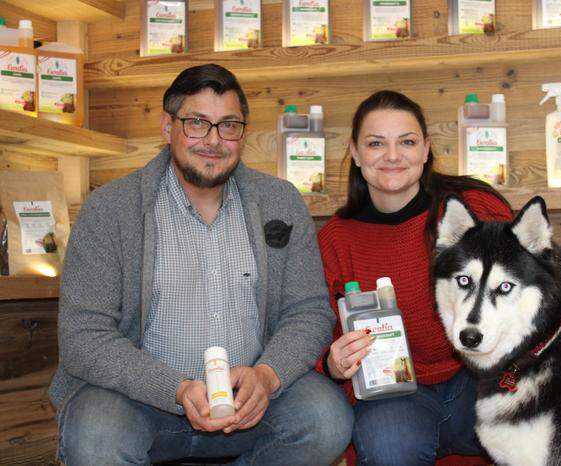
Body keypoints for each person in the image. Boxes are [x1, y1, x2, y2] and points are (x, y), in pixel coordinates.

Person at [50, 64, 353, 466]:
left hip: (252, 407)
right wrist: (174, 389)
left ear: (242, 133)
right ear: (166, 126)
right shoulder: (110, 210)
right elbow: (84, 337)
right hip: (138, 403)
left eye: (228, 125)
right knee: (95, 436)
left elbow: (308, 311)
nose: (213, 140)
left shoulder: (280, 201)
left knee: (326, 419)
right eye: (197, 123)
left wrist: (267, 375)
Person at [317, 90, 512, 465]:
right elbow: (316, 330)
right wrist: (331, 362)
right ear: (355, 154)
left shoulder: (475, 208)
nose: (392, 155)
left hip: (482, 378)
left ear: (426, 150)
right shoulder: (336, 240)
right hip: (396, 394)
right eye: (376, 143)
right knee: (390, 448)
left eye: (406, 142)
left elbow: (534, 284)